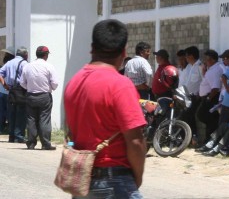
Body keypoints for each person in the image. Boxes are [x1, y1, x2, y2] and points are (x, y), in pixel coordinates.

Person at [64, 19, 146, 198]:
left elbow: (71, 133)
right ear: (124, 52)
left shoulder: (73, 83)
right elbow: (136, 141)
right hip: (114, 181)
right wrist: (136, 180)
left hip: (83, 180)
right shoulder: (120, 85)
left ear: (92, 48)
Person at [20, 46, 59, 150]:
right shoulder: (49, 66)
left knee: (31, 119)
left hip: (30, 96)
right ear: (46, 55)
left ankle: (31, 143)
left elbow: (22, 83)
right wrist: (48, 88)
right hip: (44, 96)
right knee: (44, 119)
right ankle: (46, 144)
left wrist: (30, 88)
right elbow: (55, 84)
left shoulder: (28, 66)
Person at [0, 46, 29, 143]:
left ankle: (11, 136)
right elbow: (28, 76)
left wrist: (4, 85)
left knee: (11, 114)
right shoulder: (24, 63)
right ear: (25, 55)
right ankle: (19, 136)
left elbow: (0, 73)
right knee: (21, 114)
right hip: (21, 90)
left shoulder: (9, 63)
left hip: (11, 91)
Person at [195, 49, 223, 145]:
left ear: (212, 60)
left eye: (207, 60)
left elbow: (215, 88)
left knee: (206, 117)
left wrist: (208, 98)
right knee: (205, 118)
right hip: (208, 97)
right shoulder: (212, 69)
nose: (205, 62)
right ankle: (208, 140)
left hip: (211, 98)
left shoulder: (215, 70)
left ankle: (210, 140)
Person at [0, 47, 15, 133]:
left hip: (3, 92)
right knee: (9, 111)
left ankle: (2, 128)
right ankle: (9, 128)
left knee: (3, 111)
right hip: (7, 92)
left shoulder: (6, 66)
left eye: (6, 55)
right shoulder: (11, 67)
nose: (5, 56)